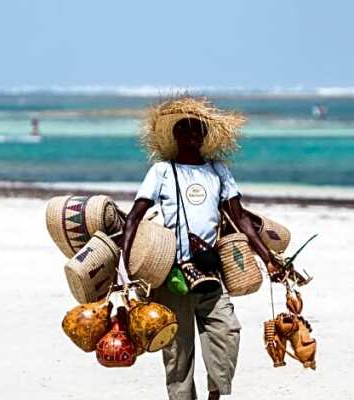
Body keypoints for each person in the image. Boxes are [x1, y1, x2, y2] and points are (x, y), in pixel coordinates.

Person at [121, 97, 284, 400]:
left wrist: (269, 258)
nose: (193, 136)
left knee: (227, 333)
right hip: (171, 276)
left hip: (211, 273)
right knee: (177, 354)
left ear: (205, 137)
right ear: (176, 136)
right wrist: (124, 265)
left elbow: (240, 218)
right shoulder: (161, 172)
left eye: (199, 131)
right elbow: (134, 217)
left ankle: (214, 394)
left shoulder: (218, 171)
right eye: (186, 130)